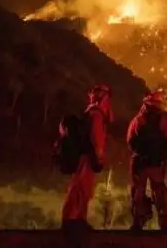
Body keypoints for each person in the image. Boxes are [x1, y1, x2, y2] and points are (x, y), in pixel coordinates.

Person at [61, 84, 113, 231]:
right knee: (80, 188)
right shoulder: (96, 114)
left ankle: (78, 219)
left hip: (85, 156)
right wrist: (99, 155)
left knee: (83, 188)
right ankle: (72, 219)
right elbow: (96, 137)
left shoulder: (91, 112)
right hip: (87, 157)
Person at [126, 91, 167, 231]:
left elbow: (130, 140)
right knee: (159, 192)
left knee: (138, 192)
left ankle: (137, 221)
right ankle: (163, 221)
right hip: (156, 163)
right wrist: (160, 157)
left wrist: (139, 154)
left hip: (140, 162)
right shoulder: (164, 120)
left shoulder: (138, 120)